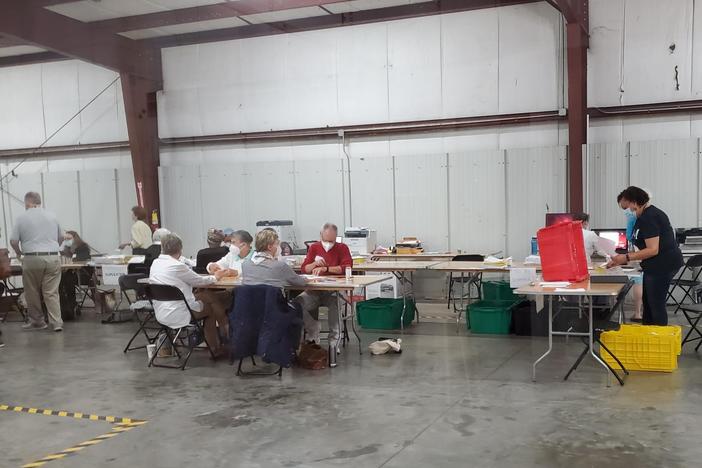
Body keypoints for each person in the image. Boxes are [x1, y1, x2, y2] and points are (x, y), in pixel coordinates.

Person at [608, 186, 683, 326]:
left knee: (655, 305)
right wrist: (623, 260)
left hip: (662, 265)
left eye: (629, 208)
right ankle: (649, 334)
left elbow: (653, 249)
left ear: (635, 201)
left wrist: (625, 258)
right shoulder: (645, 216)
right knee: (648, 304)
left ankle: (659, 339)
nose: (629, 212)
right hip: (655, 265)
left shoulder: (649, 217)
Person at [149, 234, 231, 357]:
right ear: (180, 249)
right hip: (179, 313)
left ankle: (224, 330)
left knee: (207, 296)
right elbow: (199, 281)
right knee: (211, 310)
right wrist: (216, 277)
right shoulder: (177, 266)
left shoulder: (155, 263)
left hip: (161, 312)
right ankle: (218, 343)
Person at [10, 191, 64, 332]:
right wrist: (54, 248)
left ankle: (38, 322)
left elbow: (14, 241)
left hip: (32, 258)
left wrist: (18, 252)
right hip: (53, 257)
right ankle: (57, 322)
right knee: (51, 292)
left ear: (28, 202)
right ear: (39, 202)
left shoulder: (21, 218)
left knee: (32, 291)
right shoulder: (52, 215)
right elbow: (62, 236)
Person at [296, 223, 353, 345]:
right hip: (314, 290)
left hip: (334, 290)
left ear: (336, 237)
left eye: (331, 241)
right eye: (325, 240)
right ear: (320, 235)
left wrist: (326, 269)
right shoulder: (314, 247)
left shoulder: (342, 248)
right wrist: (314, 265)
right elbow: (303, 269)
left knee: (335, 305)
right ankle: (312, 330)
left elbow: (346, 267)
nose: (328, 243)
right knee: (297, 304)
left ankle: (334, 342)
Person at [242, 229, 306, 289]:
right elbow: (300, 282)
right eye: (277, 244)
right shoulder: (280, 266)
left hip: (248, 300)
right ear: (270, 247)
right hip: (272, 300)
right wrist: (307, 279)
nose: (279, 247)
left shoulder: (245, 264)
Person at [618, 192, 644, 322]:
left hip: (638, 251)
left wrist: (627, 257)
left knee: (637, 280)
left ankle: (638, 313)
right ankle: (639, 312)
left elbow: (629, 236)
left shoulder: (632, 215)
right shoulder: (645, 214)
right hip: (643, 251)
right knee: (640, 281)